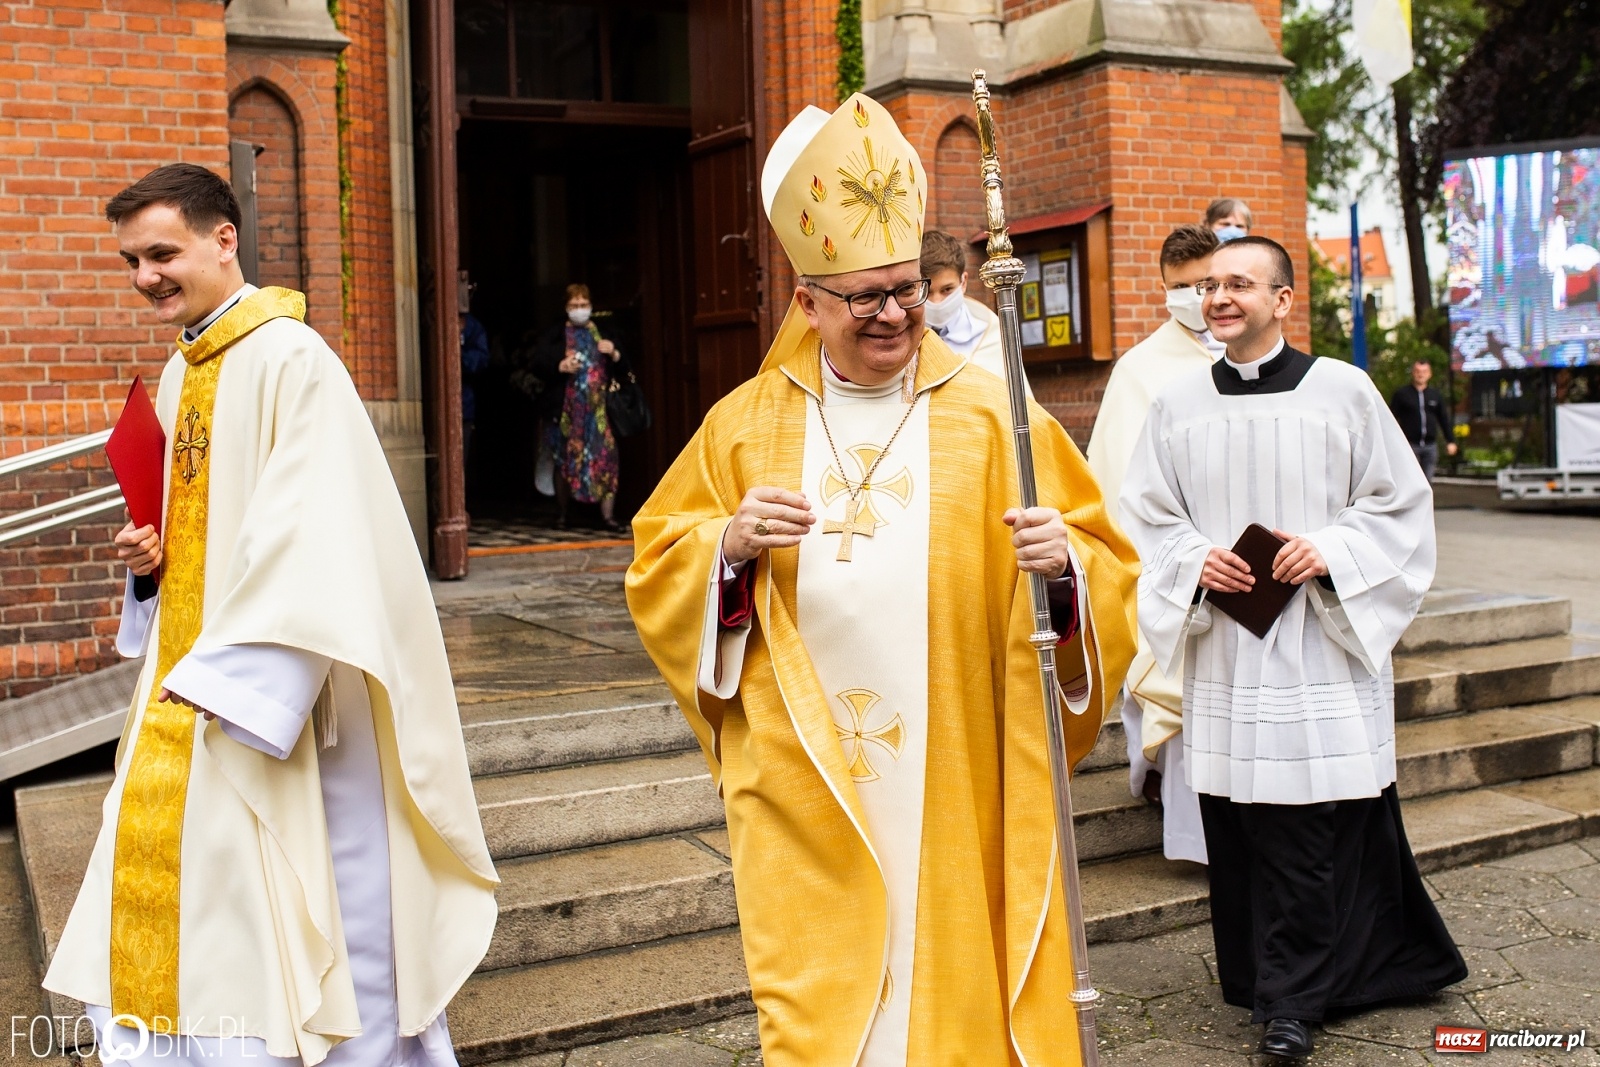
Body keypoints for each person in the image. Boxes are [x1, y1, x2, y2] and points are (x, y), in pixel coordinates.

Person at [625, 94, 1139, 1067]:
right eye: (864, 296)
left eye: (905, 288)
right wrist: (728, 549)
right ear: (807, 301)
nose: (894, 313)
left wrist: (1062, 572)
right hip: (808, 768)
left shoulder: (997, 416)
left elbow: (1102, 562)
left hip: (960, 755)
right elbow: (660, 562)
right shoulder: (743, 425)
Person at [44, 164, 499, 1066]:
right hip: (189, 686)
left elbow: (319, 533)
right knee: (209, 902)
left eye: (162, 253)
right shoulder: (182, 376)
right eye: (131, 261)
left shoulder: (294, 360)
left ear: (225, 240)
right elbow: (200, 533)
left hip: (277, 699)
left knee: (315, 896)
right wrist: (151, 563)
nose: (146, 277)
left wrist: (243, 689)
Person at [1118, 235, 1466, 1060]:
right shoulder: (1176, 404)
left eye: (1240, 284)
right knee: (1237, 824)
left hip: (1316, 644)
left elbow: (1398, 507)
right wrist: (1190, 559)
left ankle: (1292, 1002)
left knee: (1312, 823)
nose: (1219, 298)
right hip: (1228, 647)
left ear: (1283, 299)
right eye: (1210, 286)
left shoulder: (1342, 392)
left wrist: (1334, 550)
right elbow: (1144, 520)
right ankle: (1263, 978)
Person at [1085, 224, 1222, 864]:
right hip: (1176, 558)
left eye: (1207, 283)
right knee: (1181, 694)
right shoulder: (1140, 370)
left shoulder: (1256, 355)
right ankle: (1188, 829)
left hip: (1247, 556)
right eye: (1183, 287)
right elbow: (1117, 479)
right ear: (1163, 289)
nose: (1198, 297)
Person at [535, 283, 622, 528]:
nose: (579, 309)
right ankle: (563, 514)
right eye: (574, 305)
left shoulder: (603, 329)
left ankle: (608, 516)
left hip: (600, 411)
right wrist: (559, 366)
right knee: (565, 459)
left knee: (606, 458)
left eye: (584, 305)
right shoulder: (555, 333)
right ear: (566, 307)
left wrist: (614, 353)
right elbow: (538, 362)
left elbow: (624, 364)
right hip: (568, 411)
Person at [917, 229, 1033, 395]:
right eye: (927, 291)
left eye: (947, 289)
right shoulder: (902, 336)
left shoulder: (991, 336)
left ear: (963, 282)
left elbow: (1022, 406)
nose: (937, 302)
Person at [1389, 359, 1457, 481]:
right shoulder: (1402, 394)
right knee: (1409, 479)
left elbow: (1443, 419)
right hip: (1409, 445)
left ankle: (1426, 500)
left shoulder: (1435, 395)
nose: (1421, 375)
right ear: (1413, 373)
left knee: (1427, 480)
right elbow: (1390, 418)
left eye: (1424, 371)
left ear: (1429, 374)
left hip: (1430, 445)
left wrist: (1450, 440)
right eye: (1418, 371)